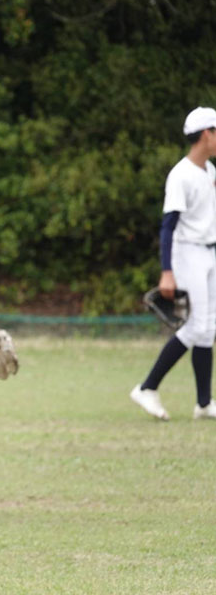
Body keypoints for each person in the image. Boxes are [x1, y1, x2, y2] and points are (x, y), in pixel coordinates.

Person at [131, 106, 216, 421]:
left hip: (208, 251)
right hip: (187, 253)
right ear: (206, 134)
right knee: (196, 326)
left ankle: (204, 403)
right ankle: (147, 387)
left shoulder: (209, 171)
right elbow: (168, 227)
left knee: (208, 328)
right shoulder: (181, 174)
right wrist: (167, 271)